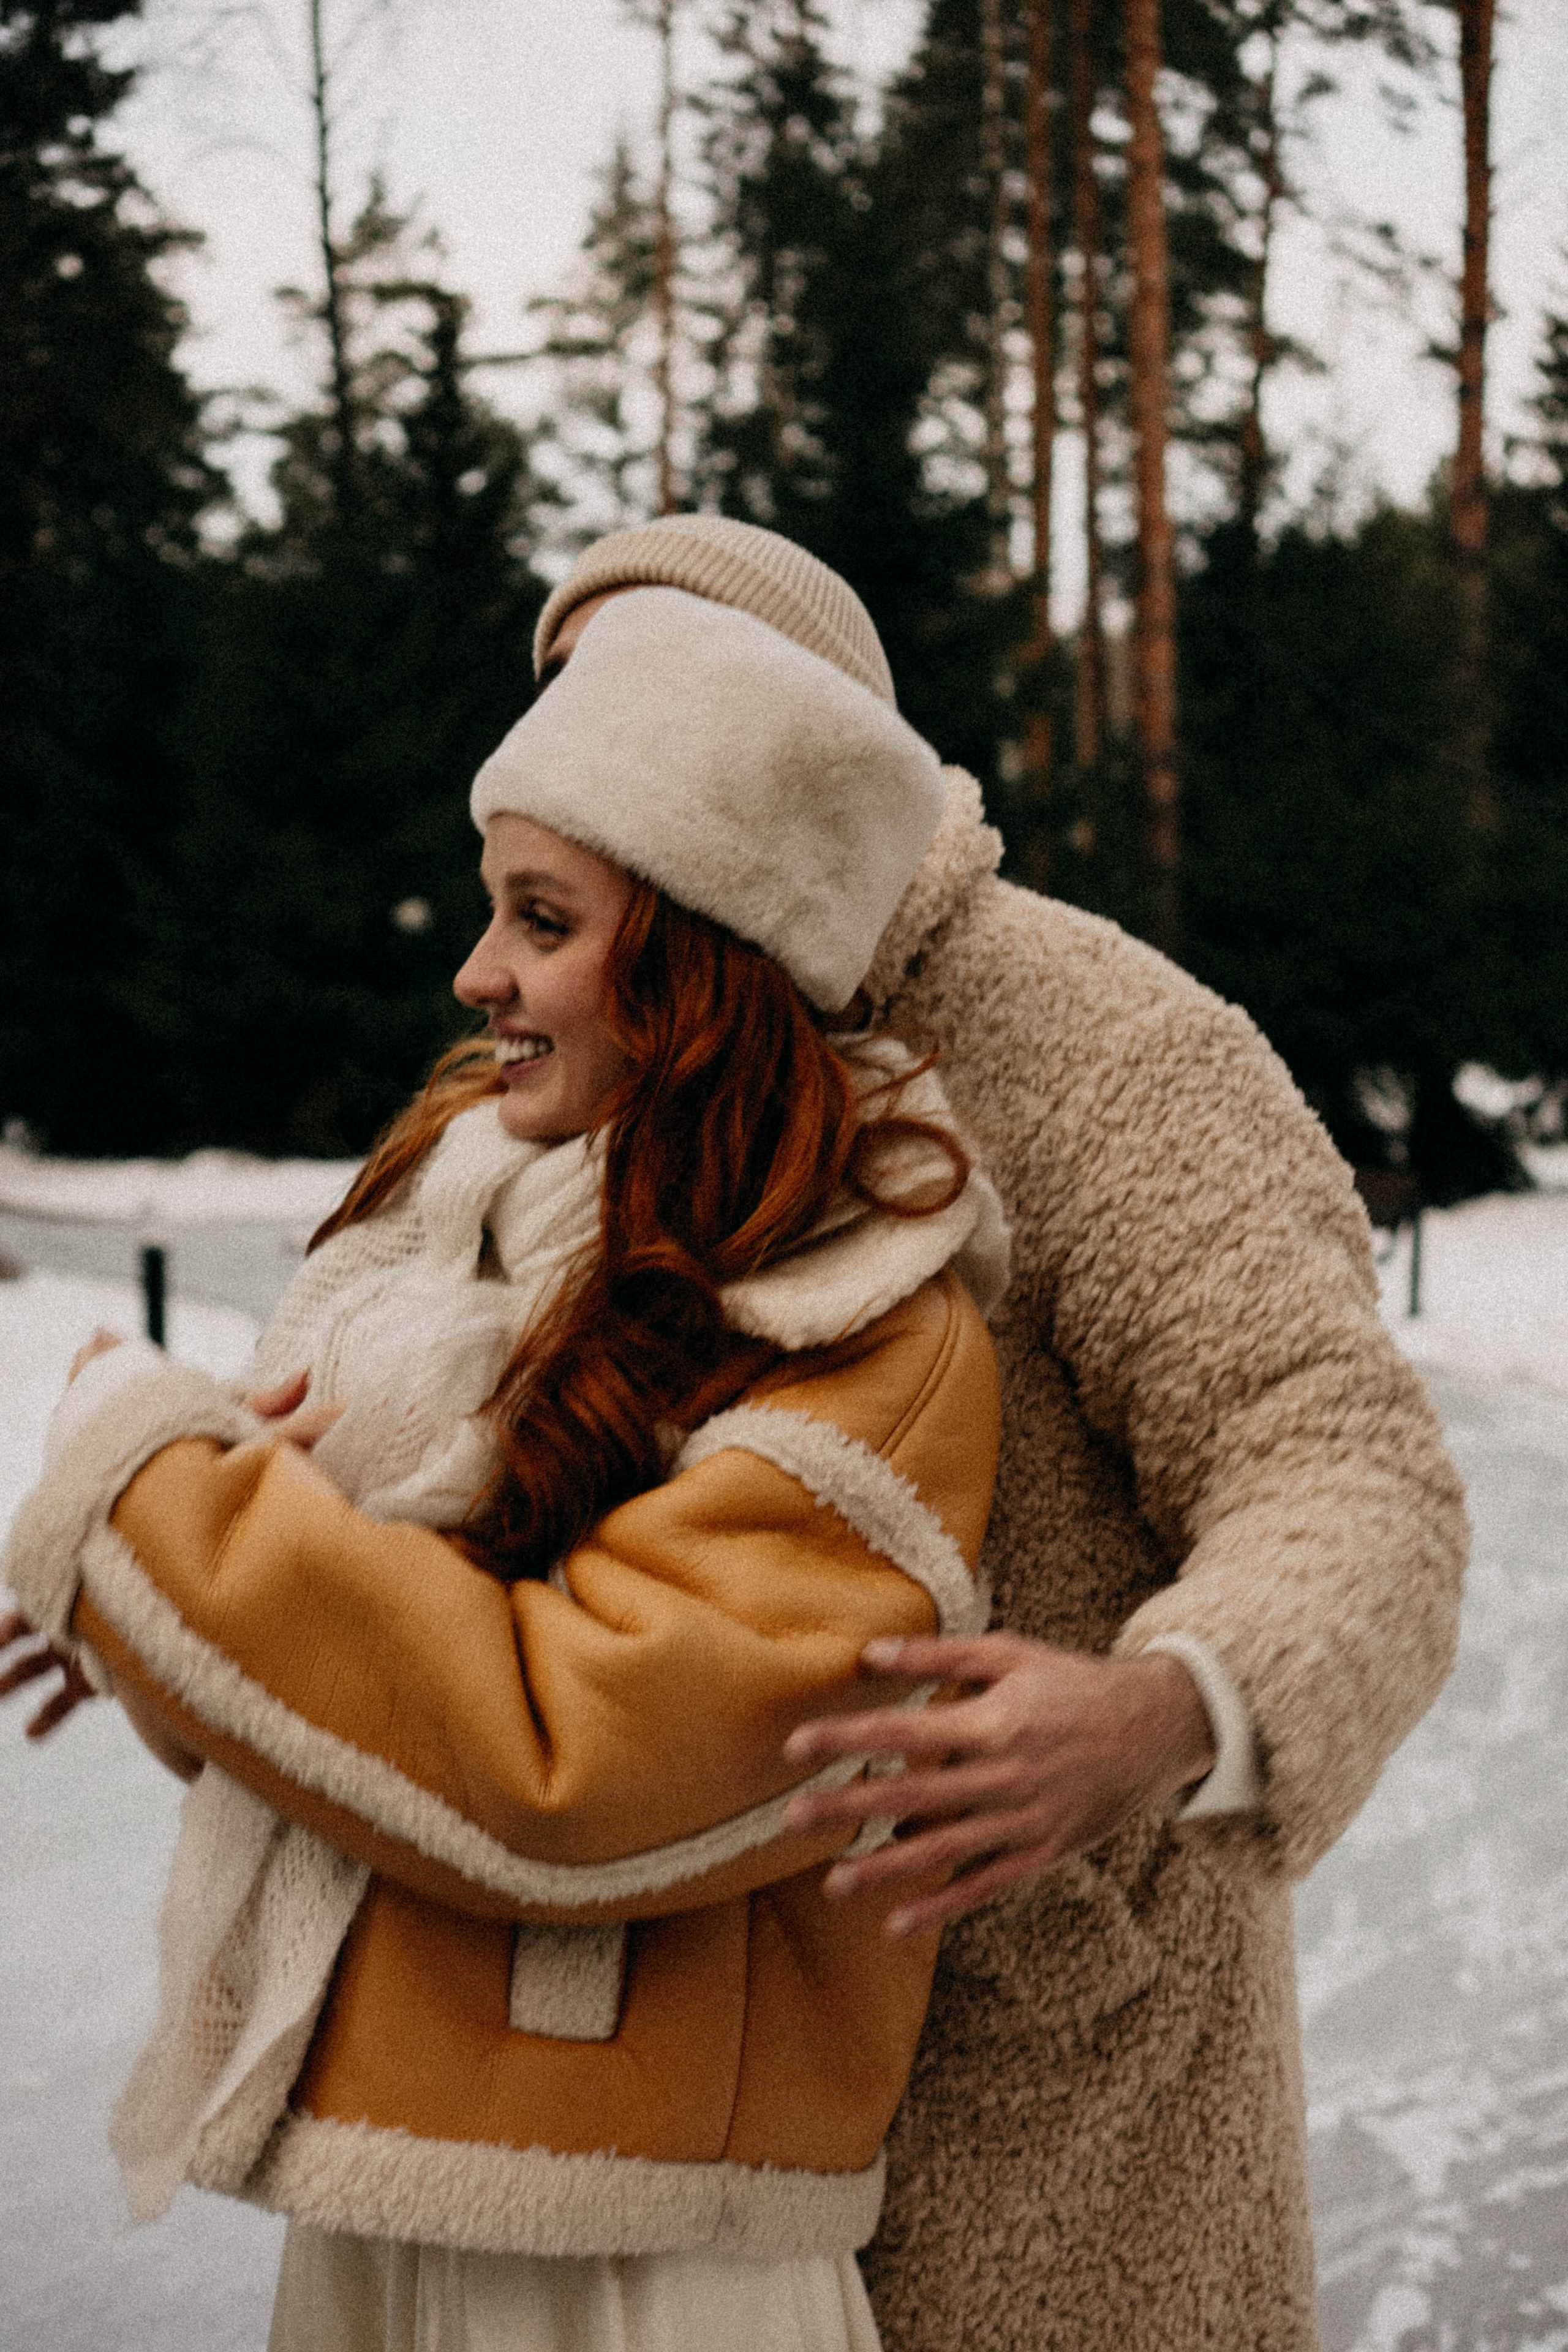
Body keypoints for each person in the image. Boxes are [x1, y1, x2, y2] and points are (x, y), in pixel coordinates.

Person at [1, 583, 1015, 2351]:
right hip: (384, 2187)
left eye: (542, 920)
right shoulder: (453, 1240)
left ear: (703, 963)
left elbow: (569, 1767)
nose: (478, 976)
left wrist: (164, 1499)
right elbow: (340, 1721)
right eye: (492, 909)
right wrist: (160, 1601)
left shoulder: (868, 1331)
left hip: (647, 2256)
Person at [511, 517, 1470, 2352]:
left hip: (1057, 2137)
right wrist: (185, 1543)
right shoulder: (592, 1047)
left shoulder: (1108, 1047)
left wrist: (1166, 1706)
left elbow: (1348, 1464)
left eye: (651, 695)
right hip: (663, 2124)